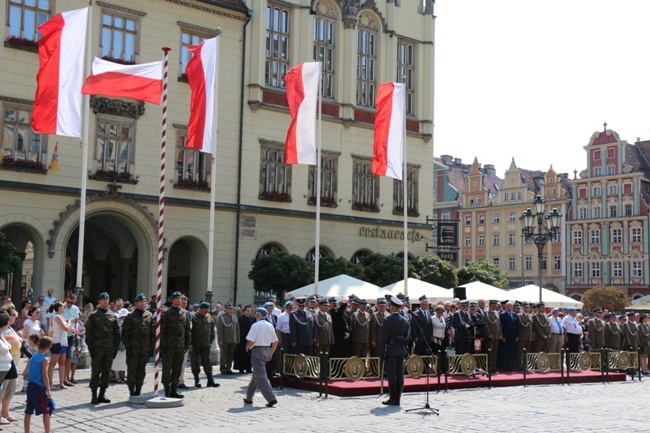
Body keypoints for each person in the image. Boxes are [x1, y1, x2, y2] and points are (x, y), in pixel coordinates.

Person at [85, 292, 120, 404]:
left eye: (107, 299)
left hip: (109, 350)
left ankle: (102, 394)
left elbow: (116, 334)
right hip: (97, 349)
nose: (105, 301)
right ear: (99, 301)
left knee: (106, 372)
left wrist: (115, 349)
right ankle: (94, 395)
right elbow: (89, 334)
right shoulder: (93, 315)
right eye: (103, 299)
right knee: (96, 372)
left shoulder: (112, 315)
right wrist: (91, 349)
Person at [243, 307, 278, 408]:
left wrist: (247, 347)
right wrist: (271, 353)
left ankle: (271, 398)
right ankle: (249, 398)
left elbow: (251, 340)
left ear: (258, 314)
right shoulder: (270, 325)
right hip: (266, 349)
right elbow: (275, 342)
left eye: (255, 313)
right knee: (256, 375)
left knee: (261, 376)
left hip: (257, 351)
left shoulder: (255, 325)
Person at [122, 293, 155, 396]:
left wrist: (152, 348)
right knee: (132, 370)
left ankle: (139, 389)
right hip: (133, 348)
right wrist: (128, 347)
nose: (143, 303)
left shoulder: (149, 316)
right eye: (140, 301)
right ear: (136, 303)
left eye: (144, 301)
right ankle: (132, 390)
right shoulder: (130, 316)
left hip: (144, 348)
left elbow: (152, 333)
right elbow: (125, 333)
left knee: (141, 370)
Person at [379, 296, 410, 406]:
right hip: (401, 350)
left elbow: (384, 339)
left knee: (392, 375)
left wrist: (381, 354)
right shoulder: (405, 320)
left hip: (391, 350)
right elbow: (407, 337)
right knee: (400, 374)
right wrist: (402, 342)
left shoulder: (388, 320)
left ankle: (393, 398)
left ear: (392, 306)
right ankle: (398, 398)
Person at [160, 291, 191, 398]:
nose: (179, 300)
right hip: (169, 346)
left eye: (181, 298)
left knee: (177, 368)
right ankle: (166, 389)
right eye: (177, 298)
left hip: (180, 345)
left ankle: (174, 389)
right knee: (167, 368)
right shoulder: (166, 313)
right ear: (172, 300)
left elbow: (187, 330)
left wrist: (187, 343)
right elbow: (162, 331)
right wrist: (163, 345)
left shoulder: (185, 313)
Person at [23, 336, 53, 433]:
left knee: (28, 411)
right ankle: (47, 431)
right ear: (49, 347)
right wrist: (48, 389)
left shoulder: (34, 356)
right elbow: (45, 376)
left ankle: (27, 431)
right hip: (39, 387)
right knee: (46, 410)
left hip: (30, 386)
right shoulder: (44, 360)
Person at [190, 301, 219, 388]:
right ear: (200, 309)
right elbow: (190, 331)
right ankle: (197, 380)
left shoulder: (209, 316)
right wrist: (190, 343)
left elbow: (212, 329)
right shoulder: (193, 317)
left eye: (208, 310)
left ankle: (210, 380)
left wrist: (211, 341)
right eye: (205, 310)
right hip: (195, 344)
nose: (207, 311)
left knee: (207, 361)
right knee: (195, 362)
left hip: (206, 344)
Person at [47, 302, 75, 390]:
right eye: (63, 307)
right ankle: (50, 383)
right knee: (53, 362)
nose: (64, 308)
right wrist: (70, 321)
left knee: (62, 362)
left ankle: (61, 383)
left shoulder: (62, 317)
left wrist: (72, 329)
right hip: (57, 342)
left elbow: (66, 329)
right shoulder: (57, 317)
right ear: (59, 308)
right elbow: (65, 328)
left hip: (64, 342)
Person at [1, 307, 21, 424]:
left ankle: (5, 412)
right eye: (13, 315)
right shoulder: (3, 330)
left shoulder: (11, 329)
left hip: (11, 362)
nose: (15, 317)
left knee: (11, 388)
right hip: (4, 365)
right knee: (3, 389)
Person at [62, 293, 80, 387]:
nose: (69, 304)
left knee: (69, 357)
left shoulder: (75, 308)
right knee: (62, 358)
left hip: (71, 335)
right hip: (63, 334)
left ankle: (66, 378)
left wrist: (76, 328)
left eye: (71, 303)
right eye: (68, 302)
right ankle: (62, 379)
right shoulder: (61, 307)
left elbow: (76, 321)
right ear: (66, 299)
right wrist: (68, 322)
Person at [216, 303, 239, 375]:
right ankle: (223, 369)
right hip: (225, 339)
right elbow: (220, 329)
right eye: (229, 308)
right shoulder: (222, 317)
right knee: (224, 354)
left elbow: (237, 328)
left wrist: (238, 338)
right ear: (225, 309)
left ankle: (229, 368)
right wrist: (220, 339)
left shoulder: (235, 316)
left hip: (233, 339)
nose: (231, 310)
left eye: (231, 308)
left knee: (230, 355)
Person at [234, 305, 254, 374]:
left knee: (249, 354)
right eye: (248, 310)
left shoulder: (252, 319)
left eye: (250, 310)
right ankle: (241, 368)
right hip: (242, 339)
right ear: (244, 311)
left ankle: (248, 368)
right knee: (241, 354)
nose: (249, 312)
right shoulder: (240, 319)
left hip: (250, 339)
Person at [111, 308, 128, 384]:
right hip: (119, 344)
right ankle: (117, 377)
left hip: (123, 344)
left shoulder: (123, 322)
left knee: (122, 361)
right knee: (117, 361)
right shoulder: (119, 323)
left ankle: (120, 376)